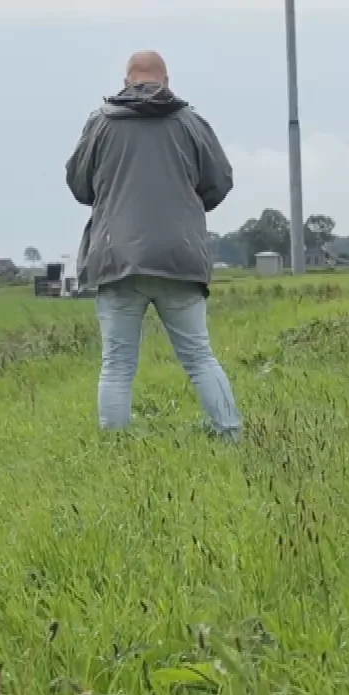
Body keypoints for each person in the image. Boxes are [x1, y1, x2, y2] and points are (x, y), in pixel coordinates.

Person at [67, 50, 242, 438]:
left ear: (126, 81)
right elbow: (220, 181)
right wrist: (187, 208)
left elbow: (79, 185)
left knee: (117, 364)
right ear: (167, 81)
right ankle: (230, 434)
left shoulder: (100, 123)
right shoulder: (190, 122)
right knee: (199, 357)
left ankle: (117, 448)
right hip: (179, 256)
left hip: (116, 258)